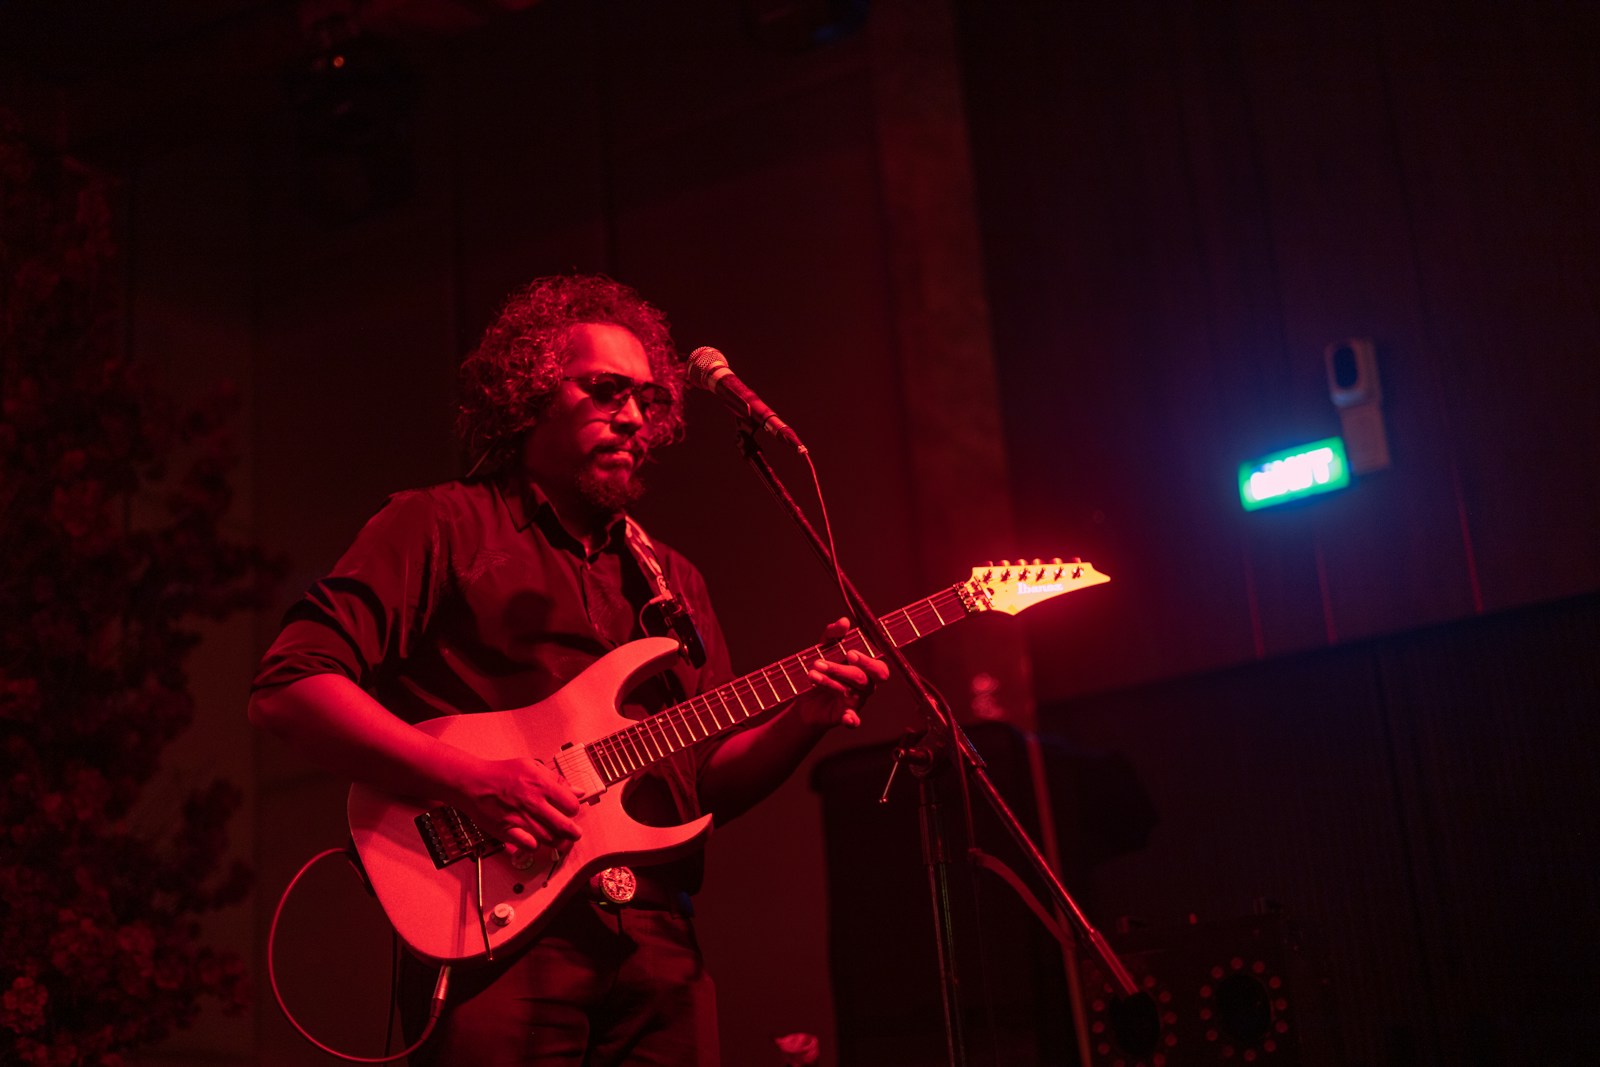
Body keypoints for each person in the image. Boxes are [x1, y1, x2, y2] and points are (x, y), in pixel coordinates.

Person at [246, 273, 888, 1065]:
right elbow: (290, 688)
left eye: (648, 401)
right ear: (530, 396)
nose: (633, 417)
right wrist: (469, 781)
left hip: (659, 944)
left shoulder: (671, 580)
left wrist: (801, 721)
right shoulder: (441, 525)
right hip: (498, 938)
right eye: (605, 390)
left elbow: (704, 784)